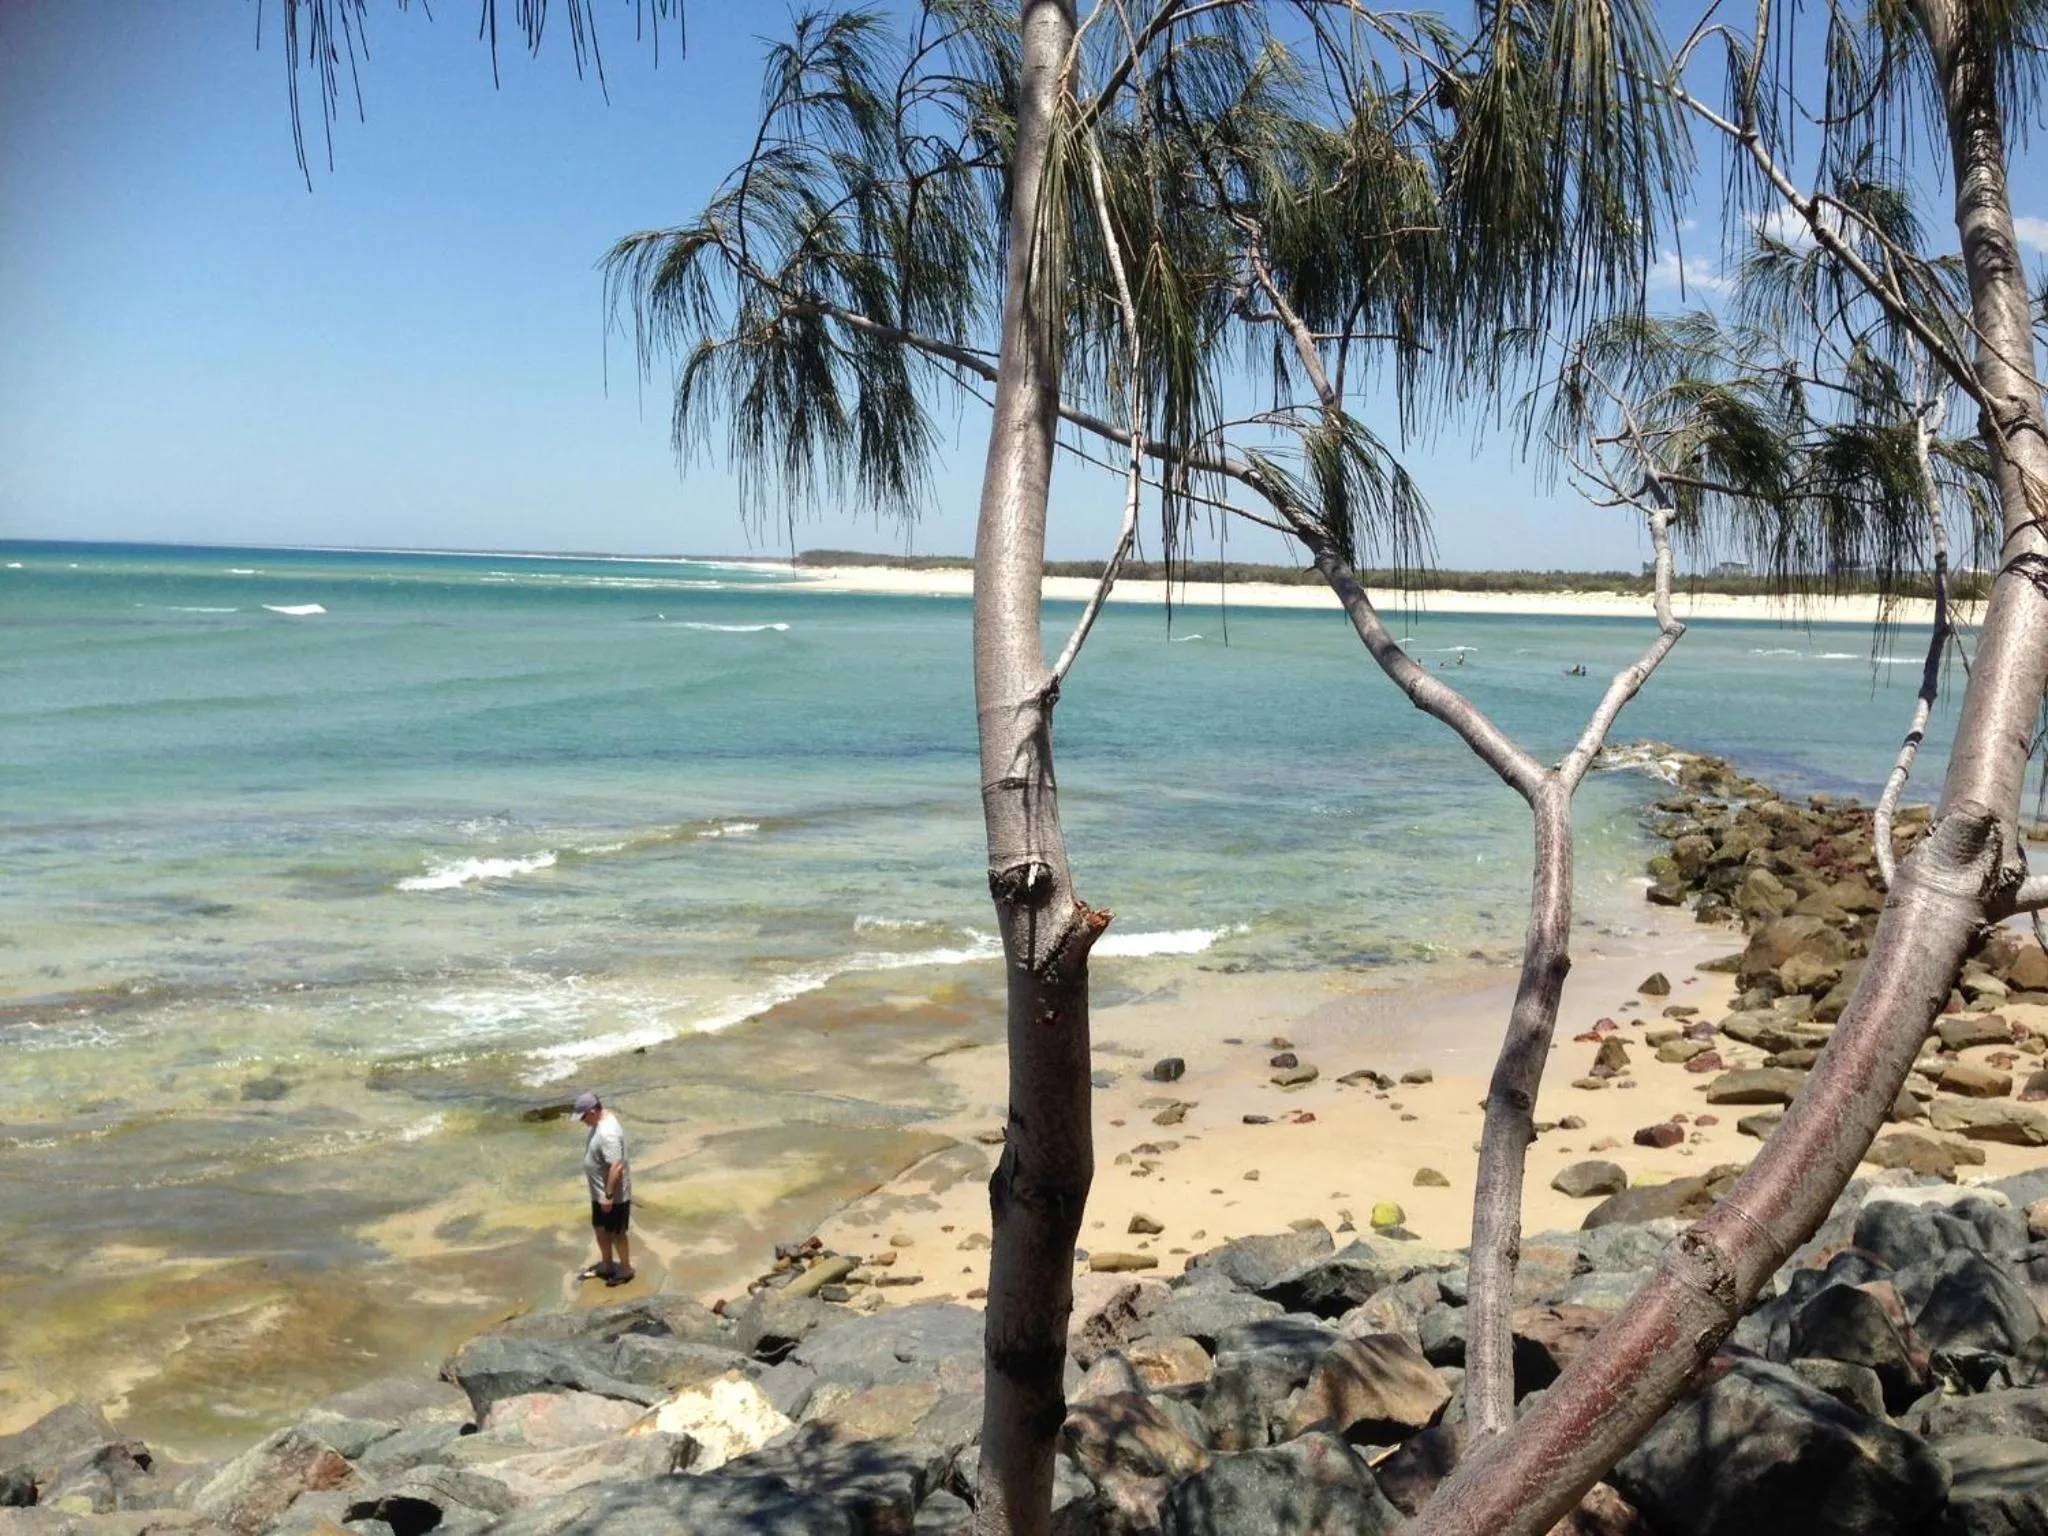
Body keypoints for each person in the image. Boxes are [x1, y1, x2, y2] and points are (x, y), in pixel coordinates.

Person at [573, 1090, 634, 1286]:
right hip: (599, 1193)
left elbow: (616, 1166)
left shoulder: (608, 1133)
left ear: (592, 1112)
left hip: (613, 1196)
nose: (583, 1122)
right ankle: (607, 1264)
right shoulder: (601, 1121)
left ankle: (625, 1269)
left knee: (617, 1233)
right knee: (600, 1228)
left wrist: (608, 1196)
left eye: (583, 1117)